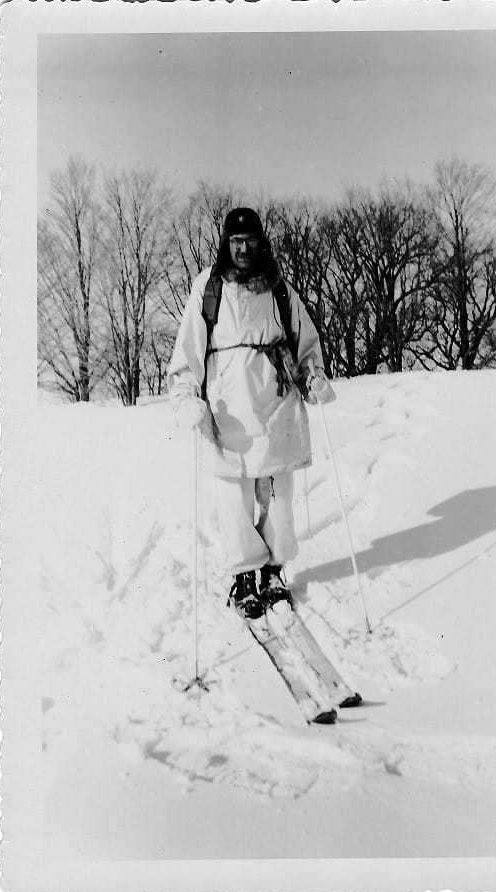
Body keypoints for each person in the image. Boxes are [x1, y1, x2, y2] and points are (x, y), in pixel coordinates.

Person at [167, 207, 334, 620]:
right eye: (235, 241)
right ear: (226, 243)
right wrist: (187, 395)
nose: (243, 248)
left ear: (261, 242)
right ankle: (244, 574)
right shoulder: (209, 286)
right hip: (227, 404)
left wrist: (312, 377)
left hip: (276, 399)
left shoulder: (280, 289)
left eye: (250, 240)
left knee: (277, 493)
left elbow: (304, 340)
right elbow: (188, 349)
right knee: (233, 495)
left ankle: (274, 569)